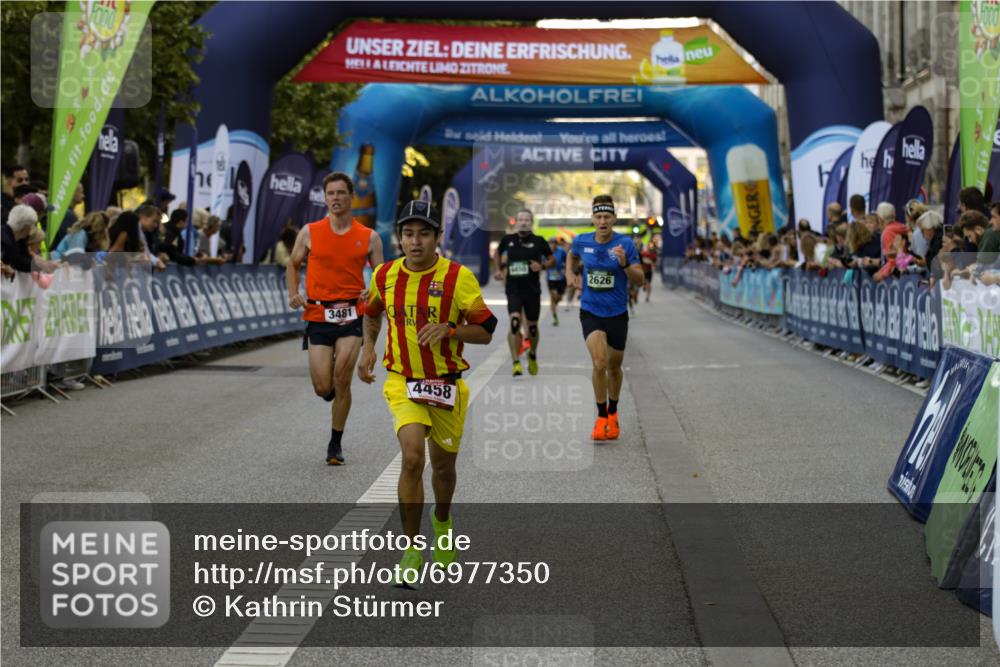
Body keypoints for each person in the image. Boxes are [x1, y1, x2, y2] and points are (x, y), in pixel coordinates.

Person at [357, 199, 497, 584]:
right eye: (408, 234)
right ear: (399, 238)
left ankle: (443, 521)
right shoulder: (384, 275)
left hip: (446, 384)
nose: (415, 241)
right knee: (412, 458)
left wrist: (450, 330)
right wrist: (368, 348)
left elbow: (486, 330)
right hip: (402, 381)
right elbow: (371, 312)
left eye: (423, 234)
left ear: (437, 237)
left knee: (444, 468)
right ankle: (411, 549)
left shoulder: (457, 277)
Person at [287, 171, 383, 465]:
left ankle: (335, 444)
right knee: (322, 387)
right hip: (318, 314)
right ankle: (331, 391)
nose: (336, 198)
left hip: (352, 315)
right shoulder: (309, 232)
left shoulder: (369, 237)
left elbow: (382, 275)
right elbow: (293, 264)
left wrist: (373, 291)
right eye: (331, 193)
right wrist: (293, 293)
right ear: (325, 198)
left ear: (351, 197)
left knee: (343, 378)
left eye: (341, 192)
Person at [566, 194, 643, 442]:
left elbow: (640, 279)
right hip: (591, 310)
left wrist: (624, 264)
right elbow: (572, 255)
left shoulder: (625, 244)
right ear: (592, 218)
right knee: (599, 363)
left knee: (614, 367)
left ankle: (613, 412)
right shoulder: (582, 241)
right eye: (598, 217)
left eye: (607, 217)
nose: (602, 221)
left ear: (614, 219)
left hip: (617, 313)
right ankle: (601, 418)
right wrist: (570, 275)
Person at [493, 209, 554, 377]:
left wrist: (542, 266)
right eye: (521, 219)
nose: (524, 222)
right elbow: (497, 253)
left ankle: (532, 354)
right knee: (515, 322)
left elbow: (551, 259)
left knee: (532, 328)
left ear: (531, 222)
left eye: (527, 219)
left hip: (532, 290)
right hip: (513, 289)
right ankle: (516, 362)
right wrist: (498, 270)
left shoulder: (539, 241)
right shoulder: (508, 240)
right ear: (516, 222)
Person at [545, 237, 567, 326]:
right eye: (550, 243)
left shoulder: (561, 251)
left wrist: (565, 268)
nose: (552, 245)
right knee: (553, 296)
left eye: (554, 243)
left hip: (561, 278)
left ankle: (555, 303)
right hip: (550, 278)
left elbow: (567, 261)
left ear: (557, 244)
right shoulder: (545, 252)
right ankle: (555, 317)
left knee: (559, 297)